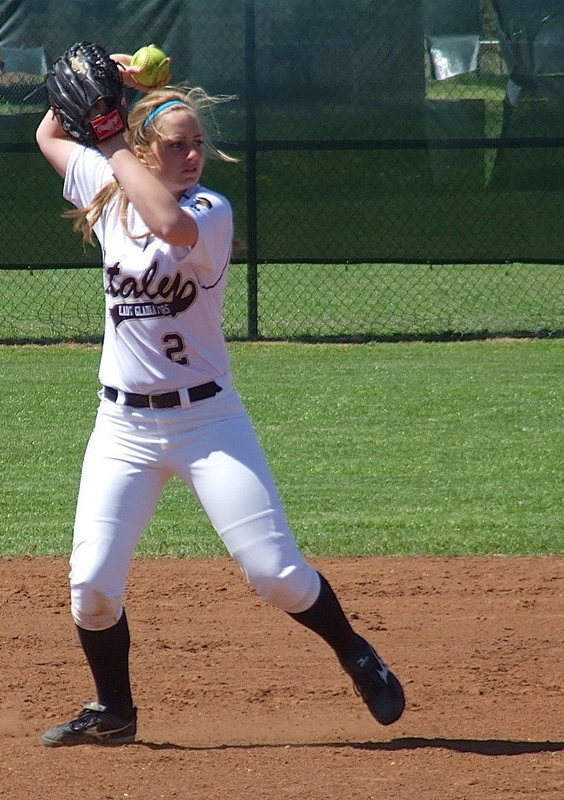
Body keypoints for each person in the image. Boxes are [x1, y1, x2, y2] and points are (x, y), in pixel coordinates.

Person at [35, 53, 405, 746]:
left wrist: (113, 134)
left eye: (198, 142)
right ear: (147, 150)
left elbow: (170, 228)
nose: (192, 154)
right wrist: (107, 85)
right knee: (90, 588)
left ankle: (354, 650)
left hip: (208, 420)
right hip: (120, 427)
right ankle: (113, 711)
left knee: (275, 575)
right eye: (175, 145)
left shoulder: (207, 211)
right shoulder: (110, 185)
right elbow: (52, 135)